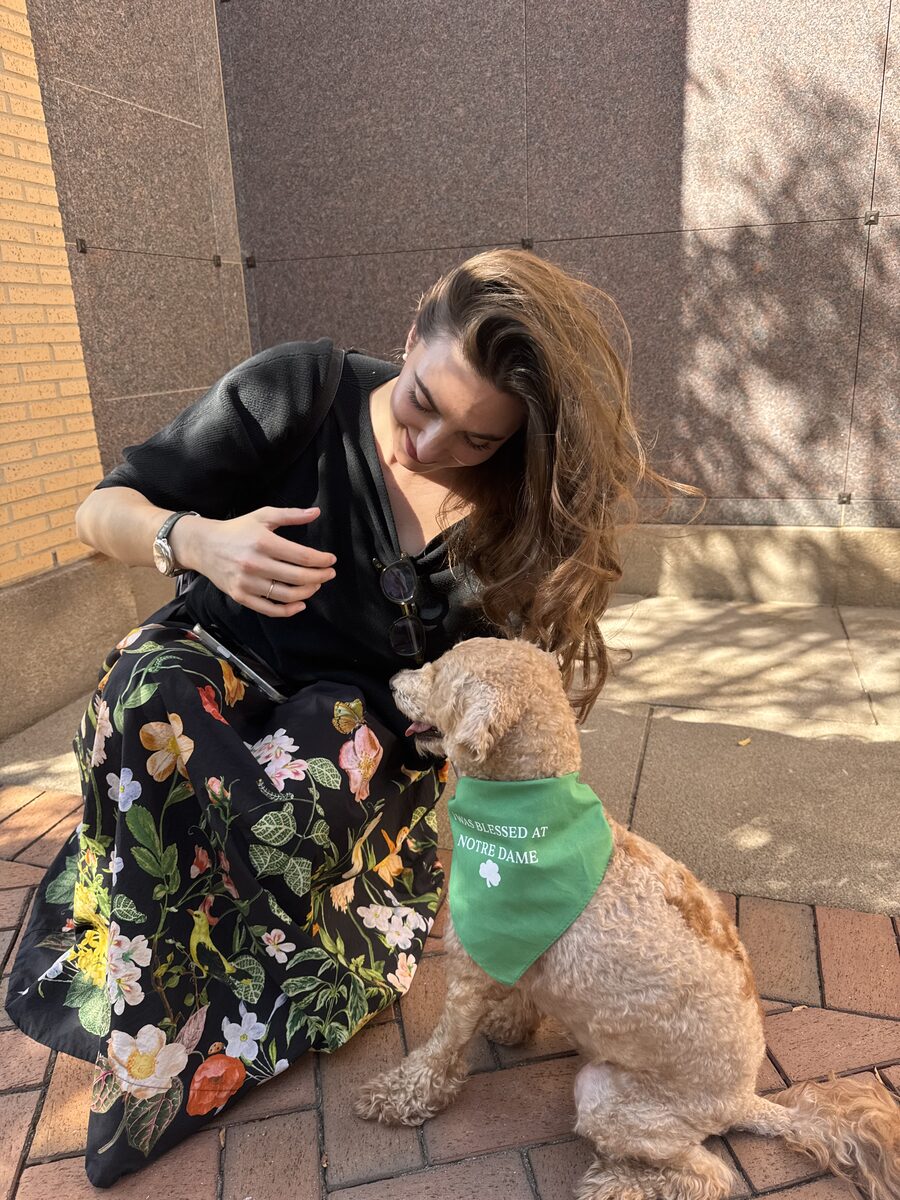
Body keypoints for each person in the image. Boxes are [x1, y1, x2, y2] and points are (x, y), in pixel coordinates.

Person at [6, 248, 688, 1186]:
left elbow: (485, 699)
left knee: (324, 747)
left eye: (478, 439)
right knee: (147, 689)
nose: (430, 447)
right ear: (409, 337)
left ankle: (271, 987)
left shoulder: (515, 520)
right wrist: (194, 540)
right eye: (420, 400)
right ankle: (154, 1031)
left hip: (349, 744)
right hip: (213, 680)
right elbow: (100, 512)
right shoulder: (299, 389)